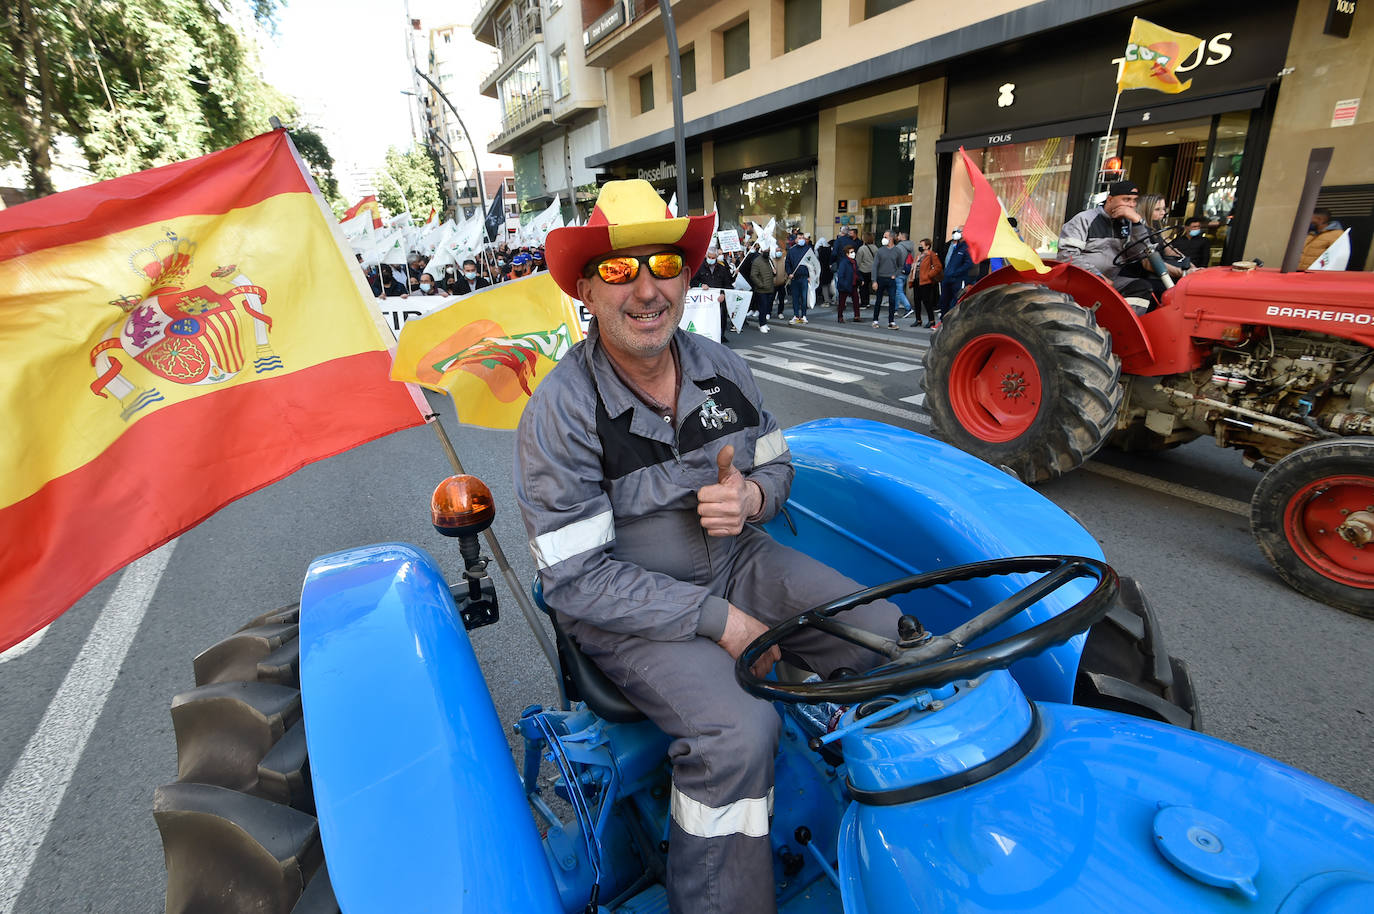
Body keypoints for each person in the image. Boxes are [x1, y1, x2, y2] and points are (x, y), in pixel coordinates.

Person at [520, 179, 901, 914]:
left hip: (742, 562)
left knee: (890, 636)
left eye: (662, 265)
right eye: (616, 271)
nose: (644, 289)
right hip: (632, 607)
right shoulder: (561, 413)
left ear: (687, 277)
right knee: (737, 732)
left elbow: (778, 461)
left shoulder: (723, 367)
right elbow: (574, 581)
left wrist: (754, 497)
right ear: (586, 295)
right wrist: (719, 623)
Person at [1058, 180, 1162, 305]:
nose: (1131, 205)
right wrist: (1098, 276)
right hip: (1083, 278)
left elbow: (1141, 254)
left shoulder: (1128, 223)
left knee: (1142, 286)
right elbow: (1066, 256)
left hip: (1111, 280)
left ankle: (1123, 324)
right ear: (1110, 199)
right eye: (1126, 199)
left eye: (1134, 201)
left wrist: (1136, 223)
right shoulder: (1084, 219)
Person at [692, 245, 735, 342]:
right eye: (709, 257)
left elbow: (728, 284)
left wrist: (723, 294)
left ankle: (721, 336)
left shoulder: (722, 268)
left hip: (719, 298)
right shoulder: (700, 267)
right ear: (706, 256)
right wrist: (700, 285)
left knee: (721, 317)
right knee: (706, 317)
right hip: (704, 300)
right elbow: (692, 281)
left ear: (716, 258)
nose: (711, 259)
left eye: (713, 258)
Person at [870, 230, 904, 329]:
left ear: (891, 238)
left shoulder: (897, 251)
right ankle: (875, 320)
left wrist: (895, 274)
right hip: (880, 278)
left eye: (886, 236)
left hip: (891, 279)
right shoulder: (880, 251)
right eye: (884, 236)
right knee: (878, 301)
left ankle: (891, 322)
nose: (884, 238)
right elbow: (875, 266)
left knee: (892, 300)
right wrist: (874, 281)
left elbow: (901, 266)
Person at [937, 227, 973, 319]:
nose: (956, 233)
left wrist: (956, 272)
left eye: (959, 231)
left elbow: (968, 264)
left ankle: (953, 321)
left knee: (956, 301)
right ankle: (943, 321)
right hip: (947, 278)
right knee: (944, 300)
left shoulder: (966, 248)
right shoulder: (954, 246)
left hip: (958, 279)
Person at [910, 238, 942, 327]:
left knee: (926, 301)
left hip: (925, 281)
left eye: (922, 245)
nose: (920, 246)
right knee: (916, 301)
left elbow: (938, 267)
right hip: (917, 280)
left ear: (927, 246)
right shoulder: (918, 256)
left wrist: (929, 275)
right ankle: (918, 319)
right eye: (919, 245)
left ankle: (931, 320)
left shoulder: (931, 255)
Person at [745, 242, 774, 334]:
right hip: (761, 289)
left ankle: (764, 323)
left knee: (766, 307)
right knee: (762, 307)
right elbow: (753, 275)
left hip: (769, 288)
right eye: (766, 250)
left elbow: (771, 273)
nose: (767, 251)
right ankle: (762, 324)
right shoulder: (757, 261)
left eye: (768, 250)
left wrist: (774, 272)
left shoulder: (769, 260)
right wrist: (761, 285)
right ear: (761, 250)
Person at [785, 232, 811, 324]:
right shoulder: (791, 251)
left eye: (803, 238)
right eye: (799, 238)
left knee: (804, 298)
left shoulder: (808, 250)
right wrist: (789, 273)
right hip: (794, 278)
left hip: (804, 278)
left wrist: (810, 276)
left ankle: (804, 315)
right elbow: (787, 263)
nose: (801, 240)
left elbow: (812, 264)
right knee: (795, 298)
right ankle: (796, 315)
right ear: (795, 240)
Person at [835, 244, 859, 322]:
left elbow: (856, 272)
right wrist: (844, 285)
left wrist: (860, 279)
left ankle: (857, 316)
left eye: (853, 251)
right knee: (842, 302)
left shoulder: (854, 262)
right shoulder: (844, 262)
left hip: (853, 284)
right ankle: (840, 317)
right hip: (845, 285)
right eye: (851, 252)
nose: (853, 253)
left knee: (856, 301)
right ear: (847, 254)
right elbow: (841, 275)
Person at [855, 232, 877, 318]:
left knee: (863, 287)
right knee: (868, 287)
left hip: (863, 270)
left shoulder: (862, 249)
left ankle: (864, 303)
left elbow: (858, 261)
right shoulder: (875, 248)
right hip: (872, 270)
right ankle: (867, 302)